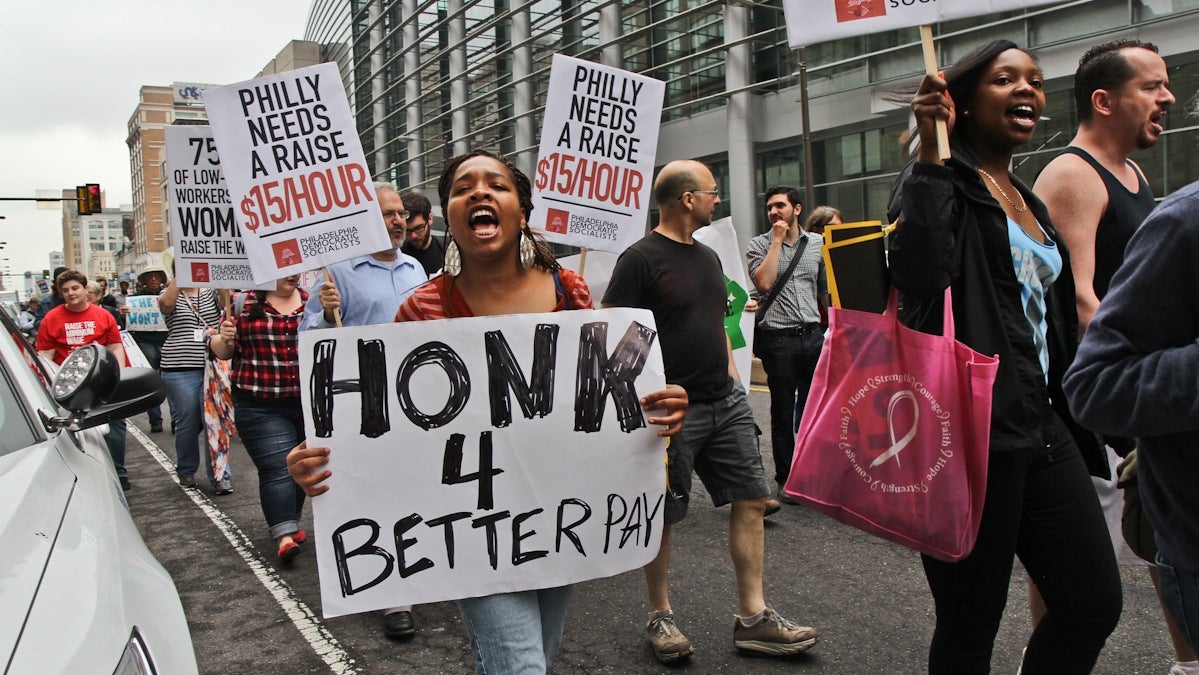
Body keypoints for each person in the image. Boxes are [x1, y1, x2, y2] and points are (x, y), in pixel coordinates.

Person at [288, 149, 687, 674]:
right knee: (521, 668)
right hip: (469, 532)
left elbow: (592, 398)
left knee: (534, 659)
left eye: (495, 184)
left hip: (553, 517)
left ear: (521, 210)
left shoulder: (572, 291)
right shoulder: (421, 309)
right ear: (446, 216)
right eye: (462, 188)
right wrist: (324, 456)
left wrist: (656, 404)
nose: (478, 193)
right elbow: (386, 426)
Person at [887, 40, 1121, 673]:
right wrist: (933, 151)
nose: (1027, 90)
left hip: (1041, 424)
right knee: (970, 625)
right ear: (959, 102)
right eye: (1005, 80)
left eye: (1036, 81)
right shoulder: (934, 181)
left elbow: (1053, 318)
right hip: (969, 436)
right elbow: (920, 274)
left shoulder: (1024, 191)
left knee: (1093, 603)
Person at [603, 160, 819, 664]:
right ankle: (660, 614)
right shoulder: (639, 259)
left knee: (751, 498)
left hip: (726, 401)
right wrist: (647, 400)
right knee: (663, 515)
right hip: (672, 414)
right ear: (686, 199)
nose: (716, 200)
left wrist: (735, 384)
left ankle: (754, 617)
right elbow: (616, 336)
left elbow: (718, 324)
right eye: (711, 192)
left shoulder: (705, 257)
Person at [1032, 39, 1194, 674]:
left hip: (1129, 395)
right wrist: (1132, 403)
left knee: (1158, 530)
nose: (1168, 98)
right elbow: (1079, 300)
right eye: (1152, 86)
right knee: (1072, 555)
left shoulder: (1134, 173)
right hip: (1087, 405)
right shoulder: (1073, 174)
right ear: (1104, 100)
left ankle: (1186, 662)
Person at [1062, 177, 1199, 659]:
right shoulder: (1185, 222)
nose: (1164, 97)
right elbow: (1094, 379)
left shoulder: (1141, 186)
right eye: (1148, 91)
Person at [299, 181, 427, 641]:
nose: (397, 220)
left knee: (416, 487)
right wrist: (320, 313)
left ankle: (418, 568)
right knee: (382, 492)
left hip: (421, 402)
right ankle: (393, 594)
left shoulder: (416, 267)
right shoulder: (337, 274)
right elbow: (309, 341)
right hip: (368, 402)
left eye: (399, 213)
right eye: (386, 213)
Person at [211, 275, 309, 564]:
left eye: (295, 268)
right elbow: (222, 350)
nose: (291, 274)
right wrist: (224, 338)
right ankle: (284, 535)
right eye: (284, 269)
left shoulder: (314, 300)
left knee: (301, 466)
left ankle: (290, 520)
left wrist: (331, 312)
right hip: (260, 405)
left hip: (309, 404)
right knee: (277, 467)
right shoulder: (241, 303)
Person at [746, 187, 827, 504]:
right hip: (778, 340)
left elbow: (823, 291)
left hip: (813, 336)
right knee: (781, 413)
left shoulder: (817, 244)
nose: (773, 212)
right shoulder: (758, 245)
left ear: (797, 208)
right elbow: (763, 283)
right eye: (769, 208)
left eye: (780, 205)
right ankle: (786, 479)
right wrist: (777, 241)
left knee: (815, 412)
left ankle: (813, 475)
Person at [159, 273, 231, 493]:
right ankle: (186, 471)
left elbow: (227, 304)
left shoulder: (210, 291)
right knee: (188, 419)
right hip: (179, 366)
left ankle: (220, 476)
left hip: (212, 364)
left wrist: (217, 272)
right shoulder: (169, 293)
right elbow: (166, 306)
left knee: (214, 420)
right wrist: (180, 276)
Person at [87, 280, 132, 490]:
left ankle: (119, 471)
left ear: (98, 296)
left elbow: (117, 344)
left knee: (115, 423)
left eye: (89, 294)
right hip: (81, 383)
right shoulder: (57, 317)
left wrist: (120, 374)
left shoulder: (107, 314)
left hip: (107, 376)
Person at [129, 268, 168, 433]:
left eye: (156, 276)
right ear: (144, 279)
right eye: (149, 277)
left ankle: (177, 420)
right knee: (151, 383)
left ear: (161, 278)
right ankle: (155, 420)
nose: (153, 279)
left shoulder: (168, 295)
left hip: (167, 341)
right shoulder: (135, 299)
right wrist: (124, 313)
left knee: (171, 381)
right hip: (146, 343)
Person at [399, 189, 444, 277]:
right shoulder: (399, 255)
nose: (413, 236)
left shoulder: (448, 249)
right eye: (407, 231)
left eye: (419, 228)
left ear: (430, 218)